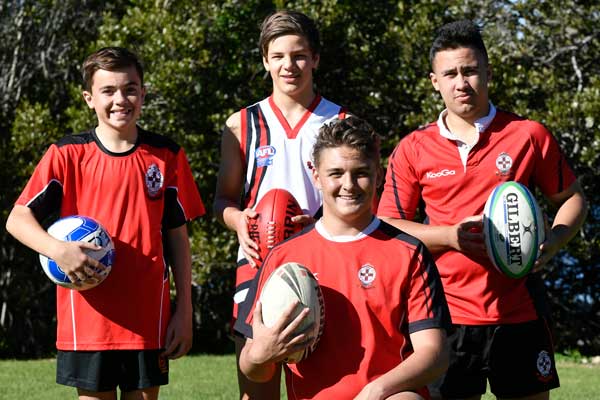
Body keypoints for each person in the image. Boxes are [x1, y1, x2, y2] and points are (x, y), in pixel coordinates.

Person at [377, 20, 588, 400]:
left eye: (470, 70)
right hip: (444, 314)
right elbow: (389, 225)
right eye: (450, 74)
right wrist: (450, 237)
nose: (461, 83)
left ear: (488, 72)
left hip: (520, 312)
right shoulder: (413, 148)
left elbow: (573, 198)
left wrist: (555, 241)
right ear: (434, 81)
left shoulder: (528, 134)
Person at [5, 47, 205, 400]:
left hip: (147, 317)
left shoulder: (167, 155)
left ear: (143, 93)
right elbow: (17, 219)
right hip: (88, 320)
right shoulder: (67, 154)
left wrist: (184, 310)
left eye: (130, 89)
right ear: (89, 98)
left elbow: (177, 237)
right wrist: (58, 250)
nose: (120, 100)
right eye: (108, 91)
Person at [235, 116, 451, 400]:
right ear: (316, 176)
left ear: (378, 175)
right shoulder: (283, 256)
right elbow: (253, 368)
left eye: (360, 172)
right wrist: (260, 355)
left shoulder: (408, 252)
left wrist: (377, 390)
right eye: (336, 173)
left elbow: (433, 353)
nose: (348, 185)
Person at [213, 9, 346, 399]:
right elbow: (223, 200)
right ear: (265, 61)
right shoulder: (241, 124)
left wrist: (320, 223)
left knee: (326, 388)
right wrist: (239, 220)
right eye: (279, 56)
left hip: (324, 262)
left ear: (315, 58)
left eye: (299, 55)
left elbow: (362, 204)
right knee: (257, 386)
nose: (289, 65)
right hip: (257, 263)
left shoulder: (341, 122)